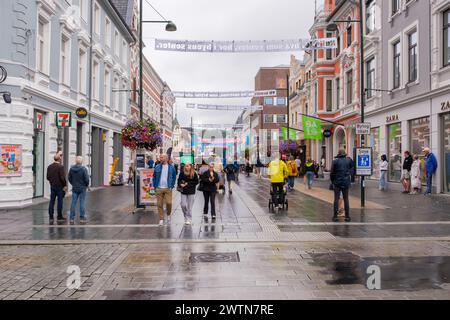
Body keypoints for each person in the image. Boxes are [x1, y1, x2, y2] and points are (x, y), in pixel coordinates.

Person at [152, 154, 177, 226]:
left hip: (168, 188)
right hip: (159, 188)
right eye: (160, 157)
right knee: (159, 204)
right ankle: (161, 219)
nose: (160, 158)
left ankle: (168, 214)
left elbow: (174, 177)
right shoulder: (157, 167)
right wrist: (155, 186)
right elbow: (154, 177)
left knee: (169, 203)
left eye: (162, 157)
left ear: (166, 158)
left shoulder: (171, 167)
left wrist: (171, 186)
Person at [330, 149, 354, 222]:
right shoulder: (349, 160)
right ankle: (347, 216)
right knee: (346, 199)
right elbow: (352, 169)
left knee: (336, 199)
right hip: (346, 182)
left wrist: (333, 181)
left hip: (337, 182)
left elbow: (332, 173)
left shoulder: (335, 161)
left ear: (338, 154)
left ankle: (335, 216)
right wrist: (348, 175)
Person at [46, 153, 67, 224]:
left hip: (53, 186)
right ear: (59, 159)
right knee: (60, 201)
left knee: (52, 201)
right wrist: (65, 185)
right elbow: (62, 177)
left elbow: (48, 177)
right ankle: (59, 216)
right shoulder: (60, 167)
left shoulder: (49, 167)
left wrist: (51, 182)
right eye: (60, 158)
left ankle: (51, 217)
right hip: (59, 186)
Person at [68, 156, 89, 225]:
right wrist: (86, 185)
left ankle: (71, 218)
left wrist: (73, 183)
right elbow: (86, 179)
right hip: (82, 188)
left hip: (75, 188)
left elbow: (69, 178)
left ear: (75, 161)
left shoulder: (71, 169)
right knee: (82, 202)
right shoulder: (83, 169)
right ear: (81, 161)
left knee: (73, 203)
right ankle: (82, 218)